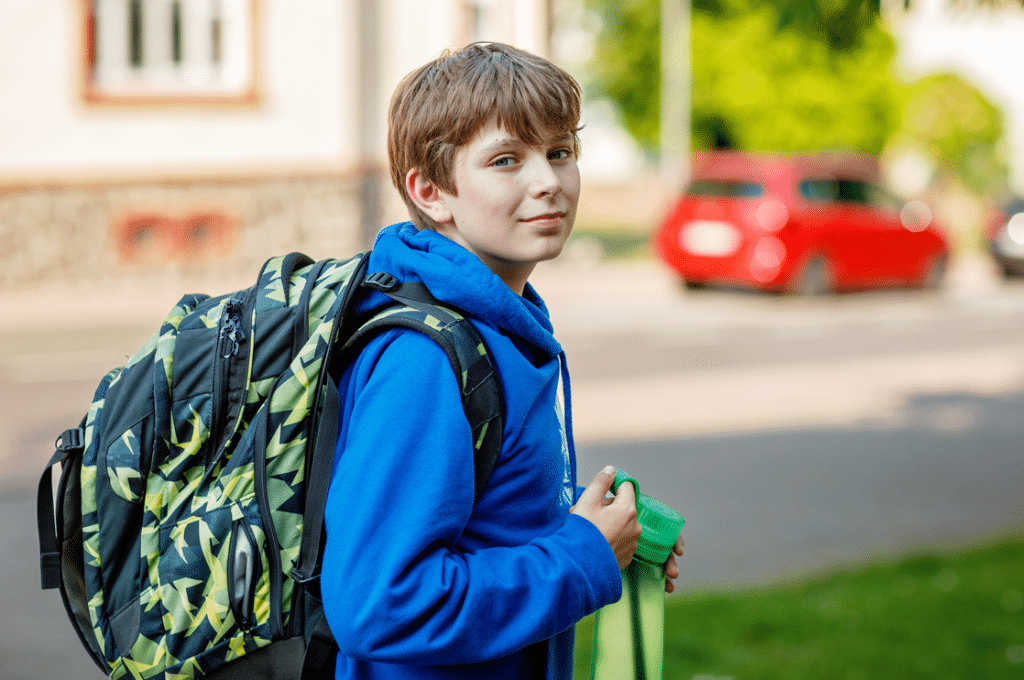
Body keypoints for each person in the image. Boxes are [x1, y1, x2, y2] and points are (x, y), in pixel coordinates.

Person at [320, 42, 684, 679]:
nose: (548, 181)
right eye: (507, 160)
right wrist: (581, 555)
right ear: (431, 191)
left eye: (560, 152)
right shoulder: (424, 360)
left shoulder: (501, 325)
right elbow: (379, 604)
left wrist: (602, 528)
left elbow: (476, 515)